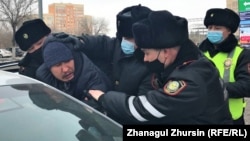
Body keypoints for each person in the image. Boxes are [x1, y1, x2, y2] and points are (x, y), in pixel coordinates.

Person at [88, 10, 233, 125]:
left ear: (165, 51)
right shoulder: (193, 61)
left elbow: (144, 109)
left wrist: (104, 98)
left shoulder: (190, 80)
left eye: (147, 53)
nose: (145, 59)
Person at [76, 4, 154, 96]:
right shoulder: (116, 46)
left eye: (129, 38)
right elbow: (100, 43)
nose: (125, 42)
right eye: (123, 37)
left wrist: (105, 99)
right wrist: (80, 41)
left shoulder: (152, 63)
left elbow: (140, 104)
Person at [199, 8, 250, 125]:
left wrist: (216, 89)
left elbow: (247, 85)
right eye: (210, 28)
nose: (212, 31)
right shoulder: (199, 52)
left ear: (229, 31)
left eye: (217, 28)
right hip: (202, 117)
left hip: (231, 118)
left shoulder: (241, 54)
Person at [36, 34, 112, 111]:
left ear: (74, 57)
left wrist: (62, 101)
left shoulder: (93, 78)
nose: (65, 69)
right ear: (49, 68)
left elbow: (91, 112)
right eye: (58, 65)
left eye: (67, 61)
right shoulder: (44, 76)